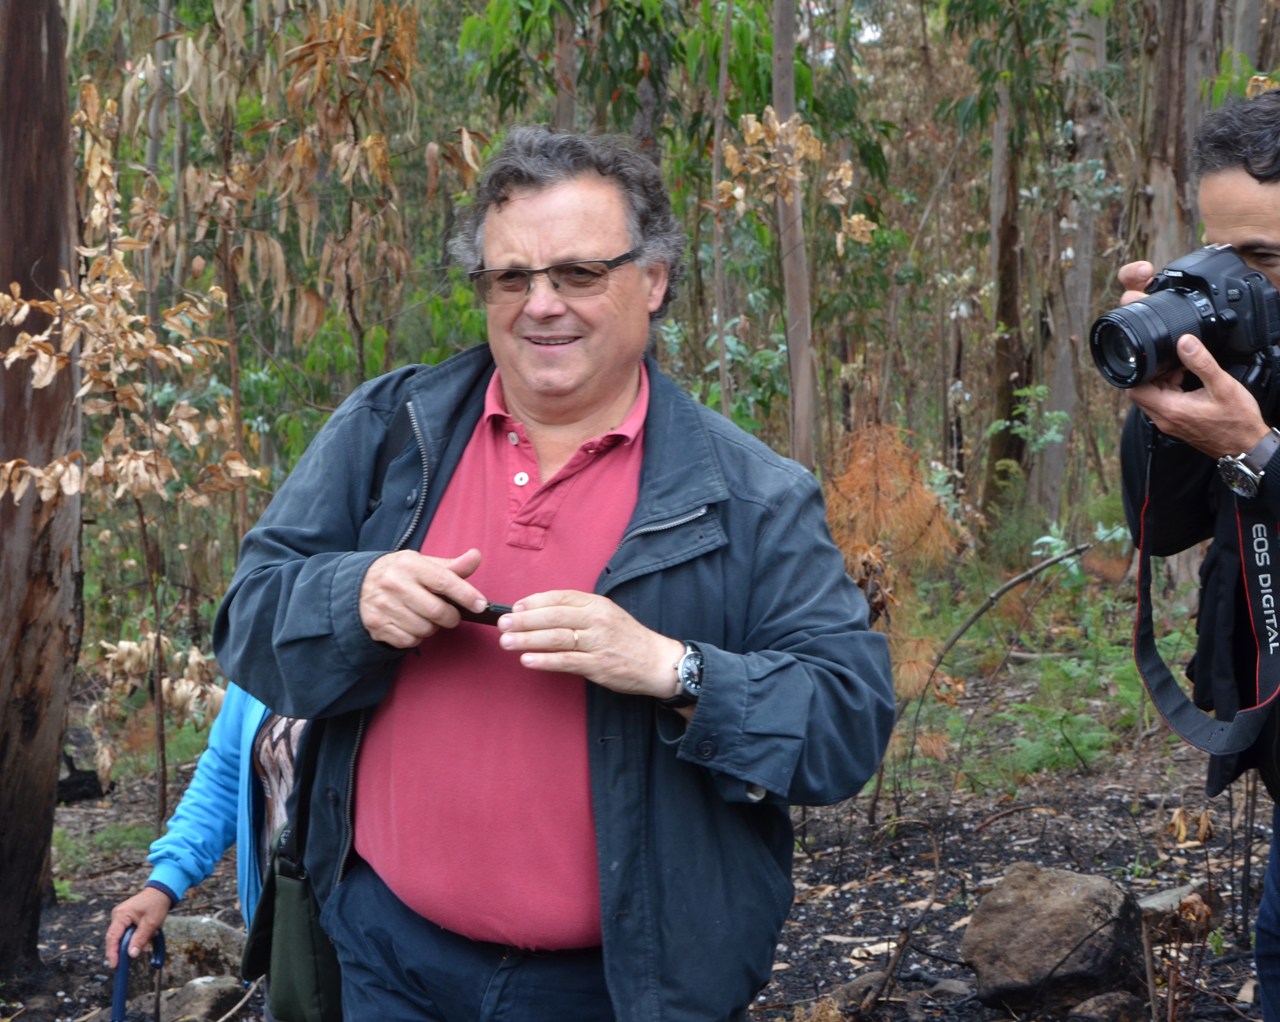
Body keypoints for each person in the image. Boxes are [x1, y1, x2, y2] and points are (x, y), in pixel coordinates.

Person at [212, 125, 895, 1022]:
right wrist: (353, 600)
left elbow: (846, 720)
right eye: (511, 278)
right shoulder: (391, 431)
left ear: (653, 281)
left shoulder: (752, 495)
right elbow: (247, 620)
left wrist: (673, 668)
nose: (541, 305)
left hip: (624, 989)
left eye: (578, 273)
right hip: (387, 956)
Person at [1116, 88, 1280, 1016]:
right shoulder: (1255, 353)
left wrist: (1258, 453)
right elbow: (1162, 528)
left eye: (1264, 259)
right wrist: (1169, 399)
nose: (1238, 282)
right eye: (1221, 253)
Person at [103, 683, 305, 970]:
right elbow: (225, 780)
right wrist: (164, 883)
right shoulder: (264, 663)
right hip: (288, 925)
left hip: (368, 931)